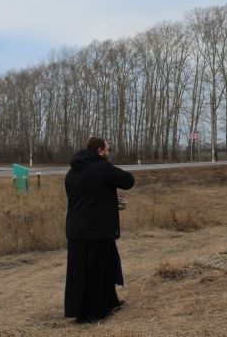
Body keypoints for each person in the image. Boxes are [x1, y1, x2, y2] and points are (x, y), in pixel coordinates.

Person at [64, 137, 135, 323]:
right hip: (97, 229)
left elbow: (88, 196)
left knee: (79, 273)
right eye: (107, 150)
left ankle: (89, 308)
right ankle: (95, 313)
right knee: (99, 271)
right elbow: (128, 180)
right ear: (100, 151)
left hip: (75, 230)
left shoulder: (72, 172)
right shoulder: (102, 168)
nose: (108, 153)